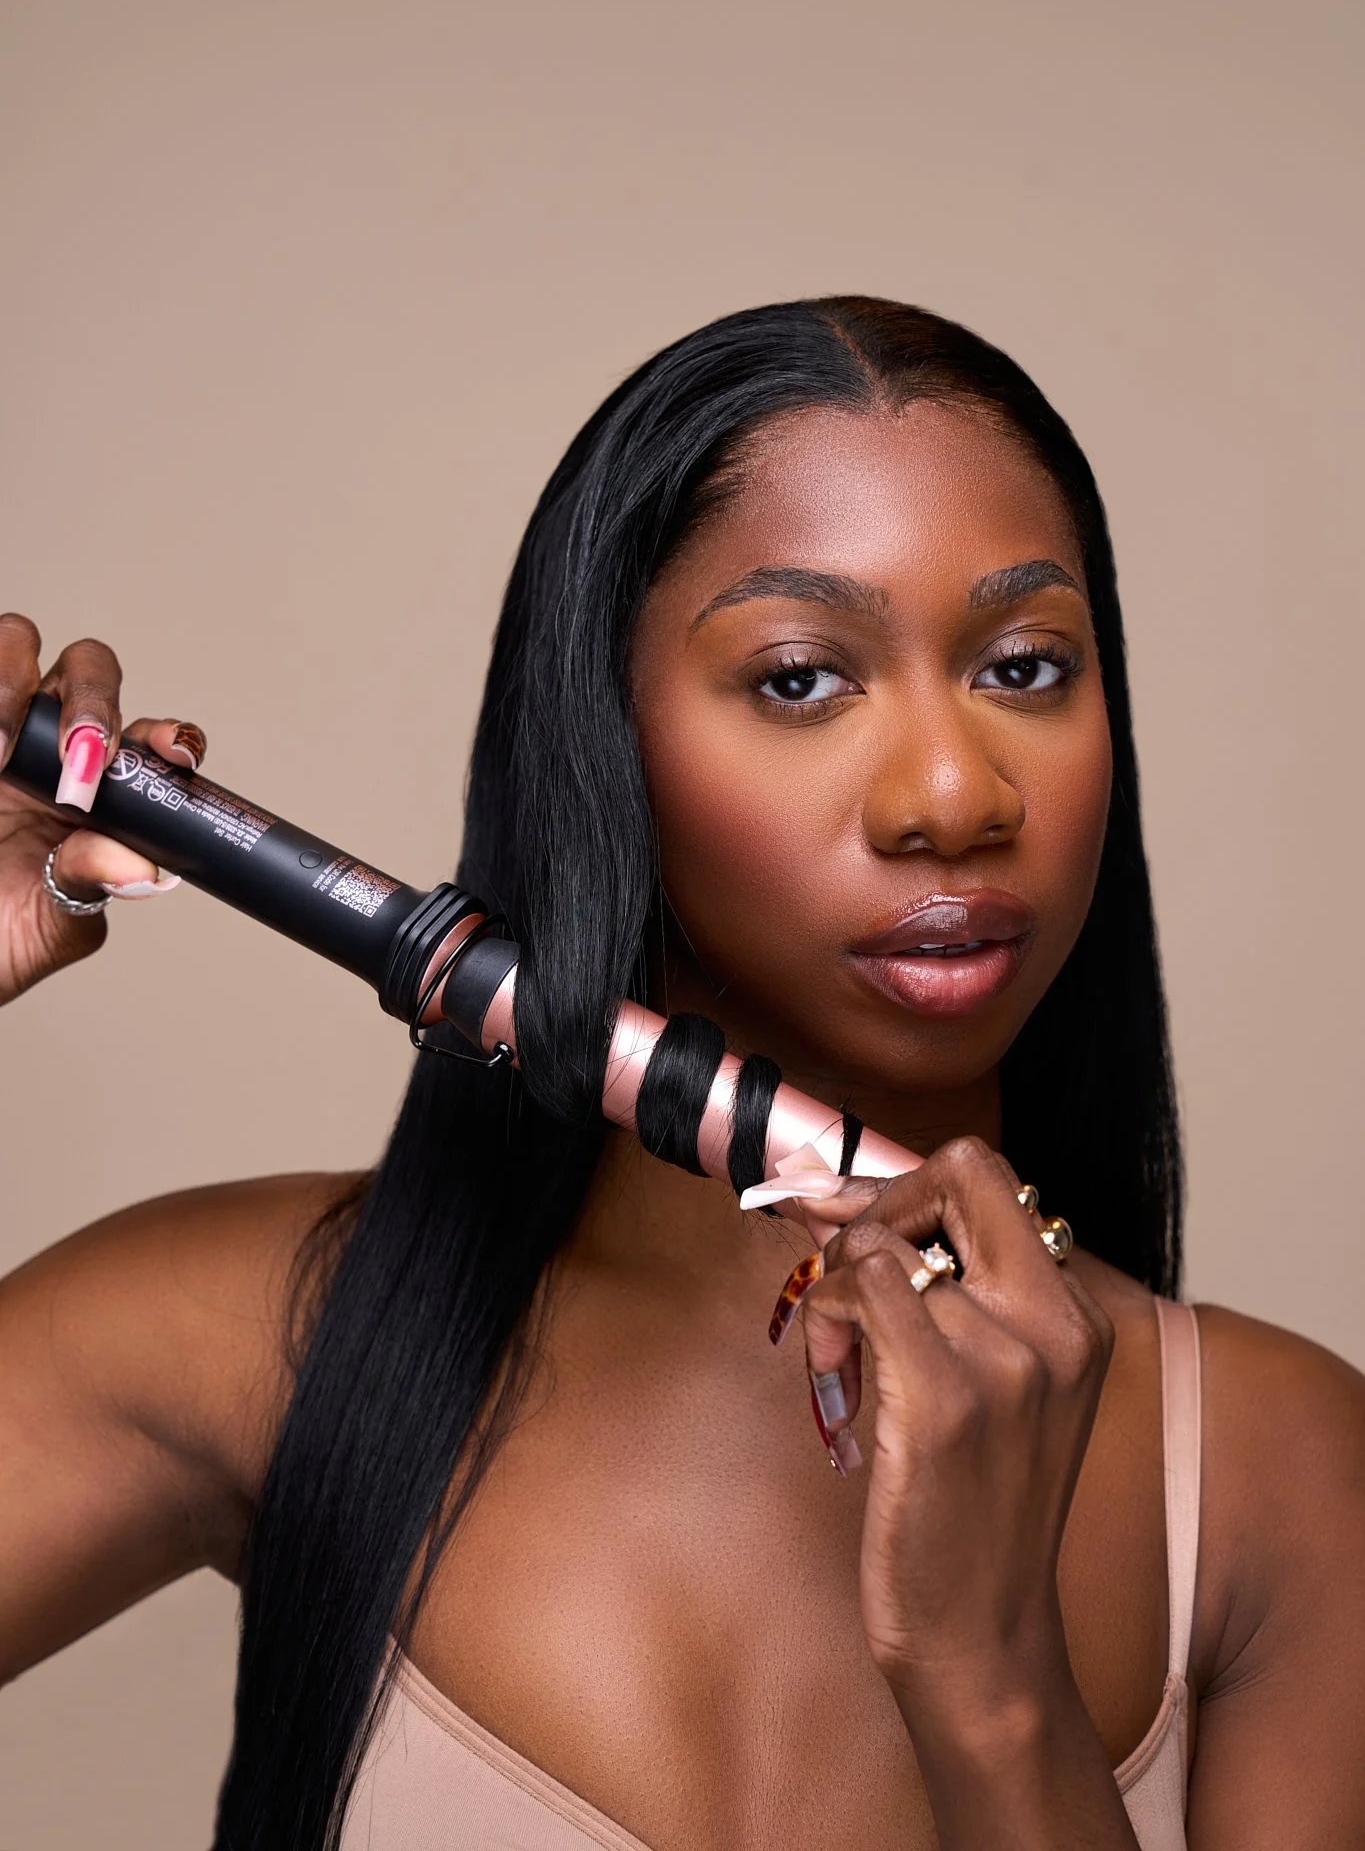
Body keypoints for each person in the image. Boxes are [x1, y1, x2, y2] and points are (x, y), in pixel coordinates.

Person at [2, 297, 1363, 1851]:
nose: (953, 795)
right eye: (799, 679)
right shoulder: (252, 1333)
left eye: (1025, 667)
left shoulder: (1275, 1476)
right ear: (607, 744)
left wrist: (994, 1683)